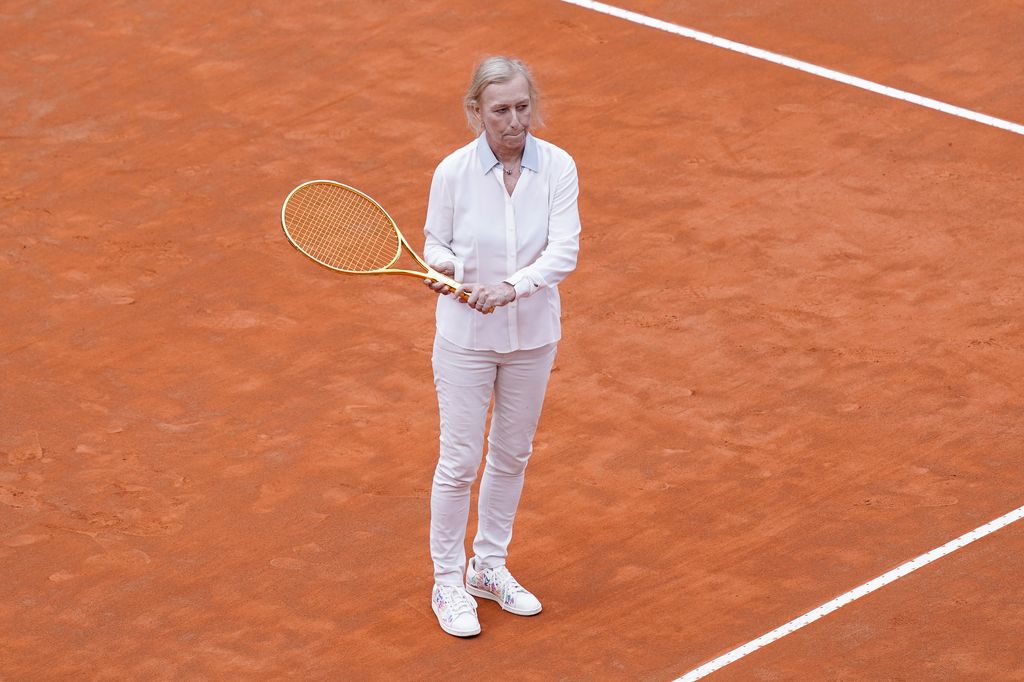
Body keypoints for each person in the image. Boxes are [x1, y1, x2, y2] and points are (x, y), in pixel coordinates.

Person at [421, 56, 581, 637]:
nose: (515, 121)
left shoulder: (558, 167)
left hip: (533, 337)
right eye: (500, 111)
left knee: (512, 456)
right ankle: (447, 582)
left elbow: (563, 251)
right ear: (475, 113)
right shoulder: (452, 172)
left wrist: (510, 289)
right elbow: (435, 243)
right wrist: (447, 270)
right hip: (465, 342)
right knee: (460, 461)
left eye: (522, 107)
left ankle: (487, 567)